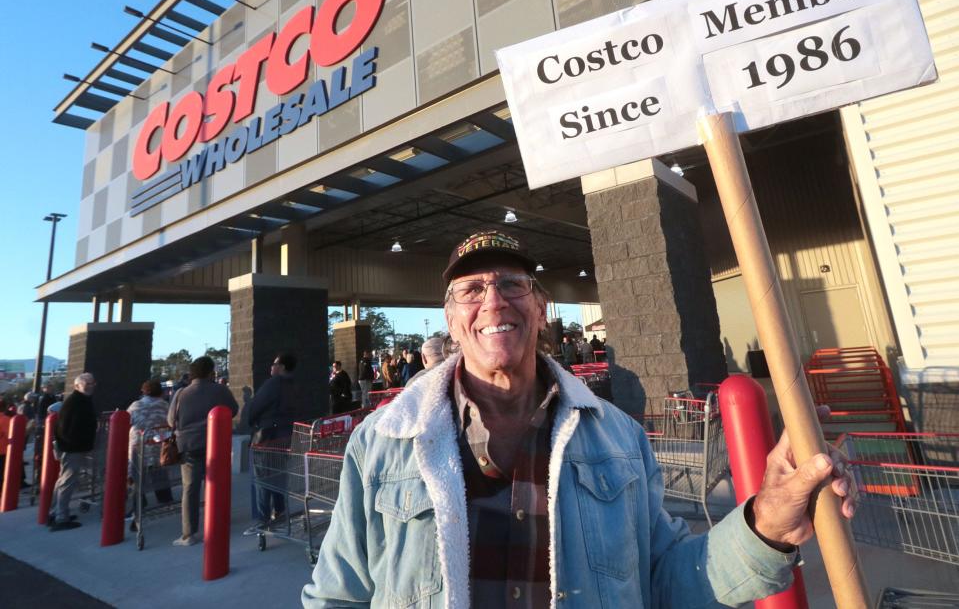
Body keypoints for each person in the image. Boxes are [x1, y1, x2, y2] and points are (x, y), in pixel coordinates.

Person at [303, 230, 857, 607]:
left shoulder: (619, 439)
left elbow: (668, 580)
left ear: (541, 311)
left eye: (512, 284)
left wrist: (767, 524)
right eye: (472, 290)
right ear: (452, 320)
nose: (493, 301)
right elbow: (338, 594)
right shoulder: (382, 442)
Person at [167, 356, 238, 546]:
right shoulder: (221, 390)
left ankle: (189, 534)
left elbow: (170, 420)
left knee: (190, 488)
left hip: (189, 447)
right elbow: (233, 410)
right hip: (216, 444)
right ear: (210, 372)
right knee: (215, 485)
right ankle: (217, 522)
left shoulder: (181, 393)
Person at [248, 352, 299, 527]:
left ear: (282, 366)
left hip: (267, 436)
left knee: (262, 477)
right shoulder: (292, 384)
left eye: (275, 363)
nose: (272, 366)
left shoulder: (273, 383)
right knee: (278, 473)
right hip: (285, 435)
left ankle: (261, 518)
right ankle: (280, 510)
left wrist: (251, 421)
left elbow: (255, 406)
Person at [50, 373, 98, 531]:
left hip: (69, 446)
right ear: (77, 385)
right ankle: (61, 517)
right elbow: (68, 427)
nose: (91, 386)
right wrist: (75, 444)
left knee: (63, 480)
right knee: (67, 481)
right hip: (72, 447)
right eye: (87, 383)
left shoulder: (76, 401)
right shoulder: (77, 402)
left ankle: (55, 512)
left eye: (92, 383)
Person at [126, 379, 173, 526]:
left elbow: (126, 421)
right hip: (159, 446)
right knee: (160, 472)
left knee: (138, 478)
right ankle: (165, 498)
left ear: (143, 391)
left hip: (138, 448)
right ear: (161, 392)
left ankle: (139, 506)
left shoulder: (135, 406)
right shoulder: (166, 406)